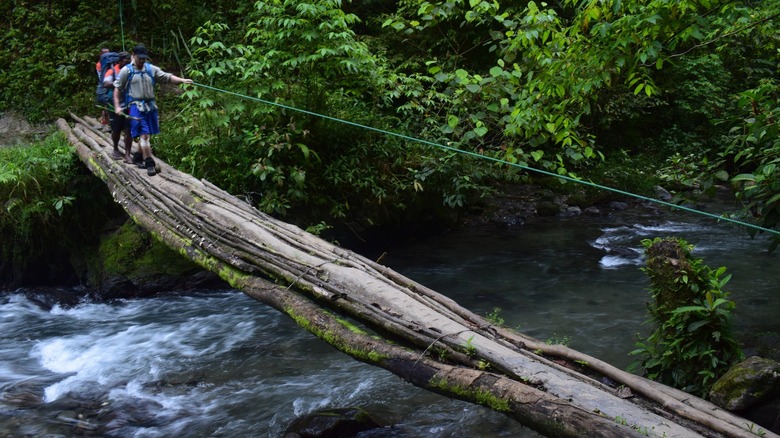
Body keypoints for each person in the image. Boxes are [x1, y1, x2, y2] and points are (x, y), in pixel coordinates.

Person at [113, 44, 192, 176]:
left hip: (151, 107)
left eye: (144, 58)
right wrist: (117, 106)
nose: (142, 61)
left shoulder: (151, 69)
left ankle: (138, 156)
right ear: (133, 56)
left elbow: (167, 77)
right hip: (135, 107)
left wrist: (182, 80)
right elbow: (117, 89)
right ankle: (150, 163)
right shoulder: (126, 71)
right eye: (140, 58)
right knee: (144, 135)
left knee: (148, 133)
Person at [102, 52, 133, 162]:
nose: (127, 64)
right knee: (116, 129)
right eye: (125, 62)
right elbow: (106, 83)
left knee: (129, 129)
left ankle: (128, 154)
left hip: (129, 103)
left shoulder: (130, 71)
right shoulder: (112, 71)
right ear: (120, 61)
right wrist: (119, 83)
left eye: (129, 62)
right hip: (114, 104)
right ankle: (115, 148)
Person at [96, 47, 110, 126]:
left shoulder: (110, 62)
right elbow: (102, 76)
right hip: (104, 85)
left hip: (110, 84)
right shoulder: (99, 64)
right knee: (105, 104)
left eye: (108, 52)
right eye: (105, 53)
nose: (107, 54)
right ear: (101, 54)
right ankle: (105, 121)